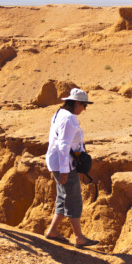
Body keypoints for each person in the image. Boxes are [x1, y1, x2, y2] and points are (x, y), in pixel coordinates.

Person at [44, 88, 99, 248]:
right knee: (74, 199)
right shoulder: (69, 119)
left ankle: (52, 231)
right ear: (76, 103)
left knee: (63, 196)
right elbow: (63, 145)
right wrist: (64, 170)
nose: (84, 109)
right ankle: (79, 237)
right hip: (64, 163)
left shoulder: (60, 114)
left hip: (59, 162)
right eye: (84, 105)